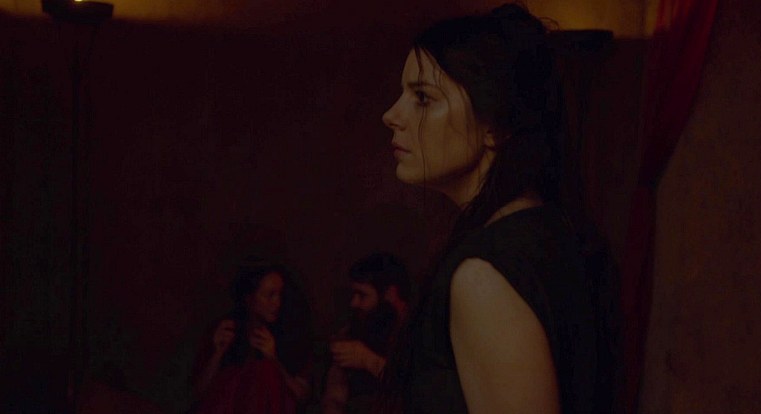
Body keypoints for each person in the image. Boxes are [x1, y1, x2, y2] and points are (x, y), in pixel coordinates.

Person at [377, 3, 618, 414]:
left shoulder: (485, 275)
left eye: (422, 98)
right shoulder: (553, 231)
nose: (391, 116)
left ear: (495, 125)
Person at [190, 259, 313, 414]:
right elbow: (198, 395)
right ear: (249, 298)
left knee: (265, 370)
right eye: (269, 295)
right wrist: (218, 353)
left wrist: (274, 360)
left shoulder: (290, 332)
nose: (277, 303)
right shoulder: (227, 329)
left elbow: (302, 396)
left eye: (280, 295)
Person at [322, 252, 412, 414]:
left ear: (390, 294)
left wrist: (368, 360)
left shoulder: (417, 332)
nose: (354, 303)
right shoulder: (356, 329)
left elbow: (417, 389)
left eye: (362, 295)